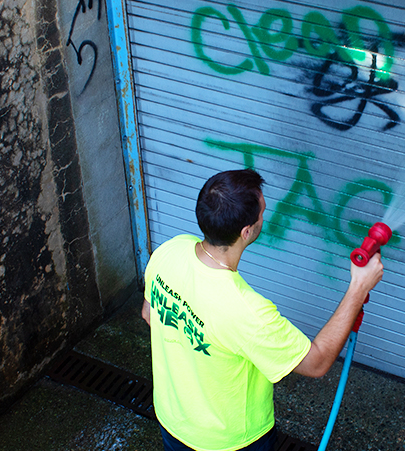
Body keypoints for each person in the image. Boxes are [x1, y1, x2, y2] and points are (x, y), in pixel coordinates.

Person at [141, 169, 384, 451]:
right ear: (247, 232)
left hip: (172, 420)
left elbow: (149, 314)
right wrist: (358, 288)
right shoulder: (247, 311)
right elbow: (316, 364)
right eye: (262, 212)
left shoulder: (170, 250)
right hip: (230, 442)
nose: (265, 215)